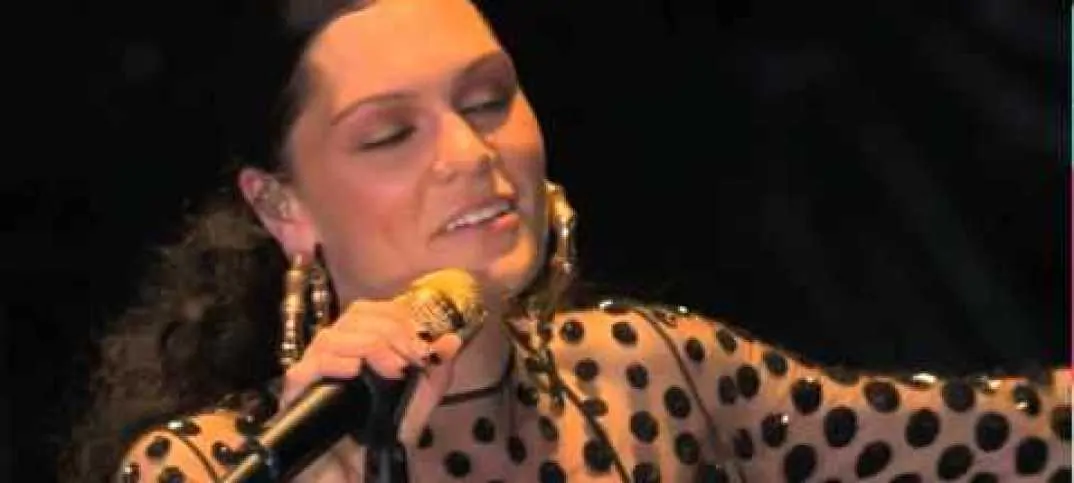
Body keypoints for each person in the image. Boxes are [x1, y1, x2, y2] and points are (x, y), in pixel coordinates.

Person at [63, 0, 1071, 482]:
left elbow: (1011, 435)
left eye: (488, 100)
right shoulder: (204, 468)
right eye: (390, 134)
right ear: (285, 208)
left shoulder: (649, 372)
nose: (471, 154)